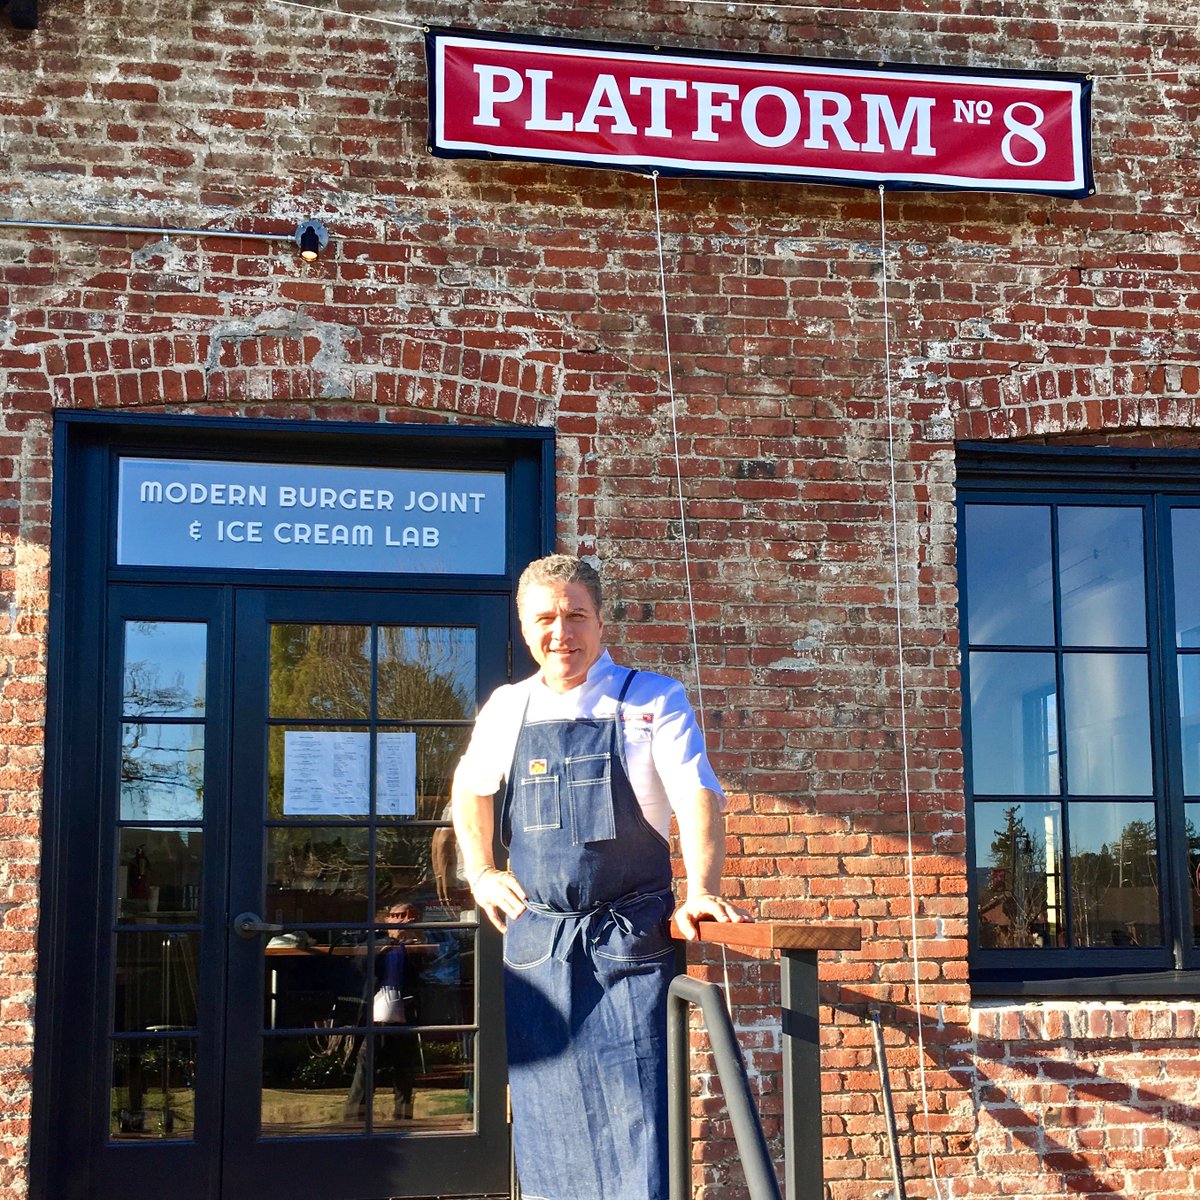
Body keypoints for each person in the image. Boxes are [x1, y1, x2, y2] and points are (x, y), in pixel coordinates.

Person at [451, 554, 749, 1200]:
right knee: (547, 1128)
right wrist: (480, 870)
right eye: (545, 619)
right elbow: (469, 787)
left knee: (640, 1119)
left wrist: (701, 889)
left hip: (630, 946)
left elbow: (696, 792)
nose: (561, 633)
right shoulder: (507, 708)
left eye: (576, 615)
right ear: (525, 628)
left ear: (601, 621)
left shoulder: (652, 698)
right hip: (539, 949)